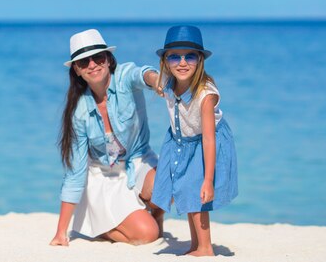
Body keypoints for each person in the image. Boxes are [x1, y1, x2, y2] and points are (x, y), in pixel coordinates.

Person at [49, 29, 164, 247]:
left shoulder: (124, 77)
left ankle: (154, 215)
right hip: (104, 177)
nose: (92, 65)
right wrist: (60, 232)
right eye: (84, 62)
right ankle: (103, 229)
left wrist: (156, 80)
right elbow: (76, 172)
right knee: (147, 235)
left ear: (108, 59)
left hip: (137, 162)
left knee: (168, 184)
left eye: (98, 57)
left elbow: (142, 74)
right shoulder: (79, 112)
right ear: (77, 70)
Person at [150, 25, 238, 256]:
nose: (182, 62)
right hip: (180, 141)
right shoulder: (168, 84)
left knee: (197, 192)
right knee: (184, 190)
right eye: (174, 57)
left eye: (190, 56)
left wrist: (208, 180)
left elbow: (209, 139)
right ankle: (194, 245)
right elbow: (153, 80)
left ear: (200, 60)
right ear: (165, 62)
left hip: (205, 143)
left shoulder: (205, 95)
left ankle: (206, 248)